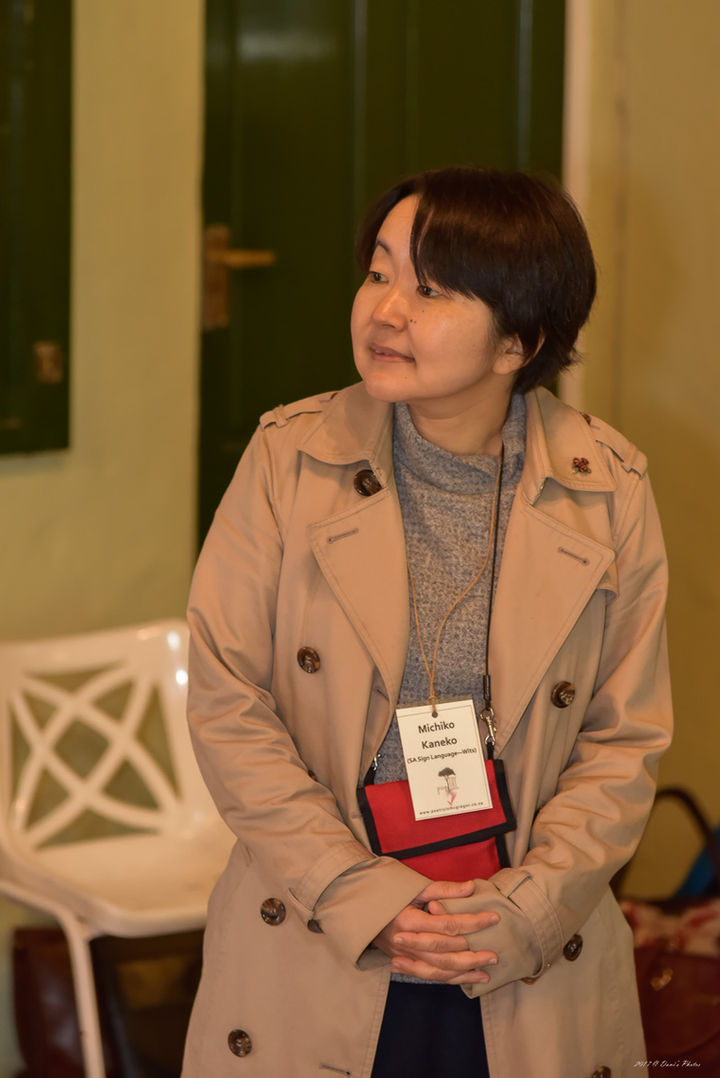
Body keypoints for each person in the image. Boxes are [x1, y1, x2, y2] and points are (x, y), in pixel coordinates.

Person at [182, 167, 672, 1077]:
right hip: (319, 933)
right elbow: (228, 702)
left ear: (518, 341)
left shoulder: (608, 487)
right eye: (379, 273)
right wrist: (356, 893)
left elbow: (623, 739)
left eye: (432, 290)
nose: (386, 310)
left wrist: (526, 911)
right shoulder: (288, 459)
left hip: (521, 955)